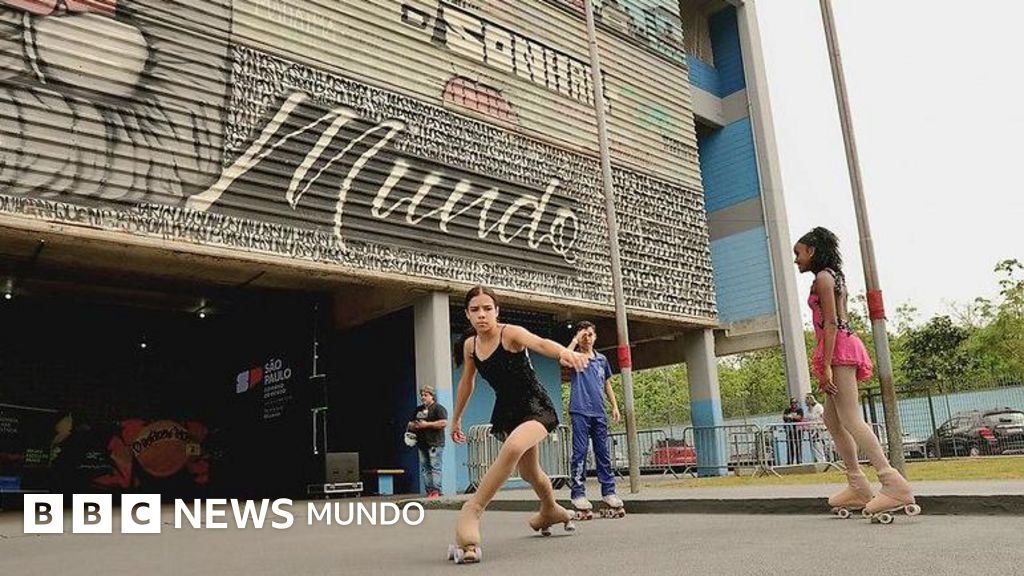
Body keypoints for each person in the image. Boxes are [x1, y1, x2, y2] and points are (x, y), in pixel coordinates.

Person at [448, 286, 590, 563]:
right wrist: (456, 418)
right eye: (475, 310)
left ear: (497, 311)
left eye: (487, 308)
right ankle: (549, 509)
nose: (482, 315)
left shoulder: (510, 333)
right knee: (529, 472)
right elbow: (467, 382)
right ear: (467, 314)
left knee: (513, 447)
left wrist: (565, 352)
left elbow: (540, 343)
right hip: (508, 411)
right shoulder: (470, 346)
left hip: (535, 405)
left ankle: (473, 508)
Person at [794, 227, 917, 519]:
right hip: (839, 347)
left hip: (838, 350)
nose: (796, 259)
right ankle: (858, 484)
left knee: (850, 418)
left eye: (798, 253)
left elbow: (831, 322)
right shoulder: (833, 276)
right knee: (831, 418)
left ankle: (892, 482)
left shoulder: (823, 278)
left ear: (812, 251)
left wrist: (825, 365)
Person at [566, 321, 623, 518]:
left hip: (599, 412)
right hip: (580, 410)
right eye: (584, 335)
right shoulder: (575, 357)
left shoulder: (601, 360)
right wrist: (575, 340)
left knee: (603, 453)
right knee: (580, 453)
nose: (587, 338)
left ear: (595, 337)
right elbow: (563, 358)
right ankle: (578, 494)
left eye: (590, 334)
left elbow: (606, 384)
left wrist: (614, 406)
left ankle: (609, 492)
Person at [407, 387, 447, 498]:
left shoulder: (438, 408)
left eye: (426, 395)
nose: (423, 397)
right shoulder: (418, 409)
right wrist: (414, 425)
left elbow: (443, 423)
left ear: (432, 396)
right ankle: (429, 490)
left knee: (435, 467)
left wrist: (427, 425)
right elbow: (410, 423)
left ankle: (436, 491)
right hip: (422, 443)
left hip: (435, 443)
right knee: (425, 468)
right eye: (422, 395)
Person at [805, 393, 827, 463]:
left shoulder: (818, 407)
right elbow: (807, 419)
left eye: (808, 398)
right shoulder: (808, 410)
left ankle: (822, 460)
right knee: (814, 445)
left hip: (819, 428)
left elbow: (822, 416)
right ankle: (817, 459)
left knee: (819, 444)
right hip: (812, 429)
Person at [782, 397, 804, 465]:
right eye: (792, 403)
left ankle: (799, 461)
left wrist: (791, 416)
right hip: (789, 431)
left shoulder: (800, 410)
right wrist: (791, 416)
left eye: (795, 402)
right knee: (790, 446)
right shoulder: (787, 410)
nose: (793, 404)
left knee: (798, 446)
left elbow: (799, 417)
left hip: (798, 430)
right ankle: (790, 461)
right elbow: (784, 417)